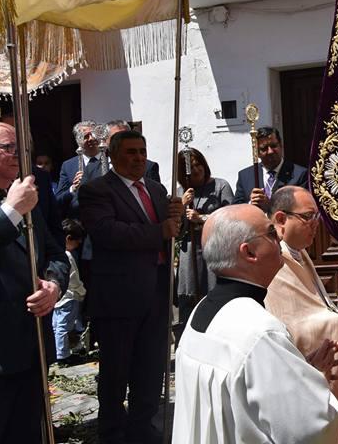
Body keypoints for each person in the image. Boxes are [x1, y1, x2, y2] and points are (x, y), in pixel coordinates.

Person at [172, 204, 338, 444]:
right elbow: (309, 429)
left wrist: (301, 375)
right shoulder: (260, 331)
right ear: (249, 252)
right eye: (272, 233)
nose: (280, 237)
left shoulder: (201, 310)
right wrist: (316, 387)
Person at [78, 129, 183, 444]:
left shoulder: (156, 188)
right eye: (131, 152)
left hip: (157, 293)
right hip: (119, 298)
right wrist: (159, 231)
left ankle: (142, 427)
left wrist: (178, 219)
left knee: (151, 370)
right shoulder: (96, 190)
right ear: (112, 155)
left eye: (142, 151)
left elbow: (171, 232)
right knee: (116, 371)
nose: (139, 158)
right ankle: (111, 431)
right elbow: (107, 233)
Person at [0, 121, 69, 443]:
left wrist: (54, 285)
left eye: (22, 149)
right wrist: (11, 211)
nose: (18, 157)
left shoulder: (24, 195)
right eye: (8, 148)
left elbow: (54, 252)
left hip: (31, 350)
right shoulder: (15, 200)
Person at [266, 186, 338, 444]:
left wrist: (333, 312)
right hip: (295, 355)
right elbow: (286, 314)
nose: (315, 225)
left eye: (317, 217)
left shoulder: (298, 251)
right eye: (307, 217)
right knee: (332, 325)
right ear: (281, 219)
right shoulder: (272, 256)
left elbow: (313, 300)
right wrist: (332, 320)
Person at [176, 147, 234, 329]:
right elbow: (176, 231)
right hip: (190, 253)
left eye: (198, 164)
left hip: (214, 250)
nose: (196, 170)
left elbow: (231, 218)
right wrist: (182, 206)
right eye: (191, 168)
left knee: (215, 297)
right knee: (189, 300)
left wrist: (202, 218)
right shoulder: (181, 193)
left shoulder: (220, 186)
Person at [233, 126, 308, 210]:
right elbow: (235, 209)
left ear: (281, 146)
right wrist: (251, 204)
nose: (270, 151)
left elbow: (303, 208)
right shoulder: (245, 176)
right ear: (257, 152)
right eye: (264, 148)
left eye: (273, 146)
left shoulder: (300, 174)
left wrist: (270, 206)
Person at [53, 218, 87, 365]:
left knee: (57, 326)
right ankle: (63, 354)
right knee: (64, 326)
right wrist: (82, 291)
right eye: (77, 242)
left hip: (59, 298)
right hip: (70, 297)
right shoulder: (67, 256)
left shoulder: (54, 253)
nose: (78, 245)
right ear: (68, 238)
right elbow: (73, 279)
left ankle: (59, 351)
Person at [56, 120, 101, 218]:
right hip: (78, 224)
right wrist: (72, 189)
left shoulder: (110, 161)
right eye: (86, 136)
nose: (91, 138)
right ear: (78, 140)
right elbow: (58, 200)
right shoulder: (68, 166)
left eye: (93, 134)